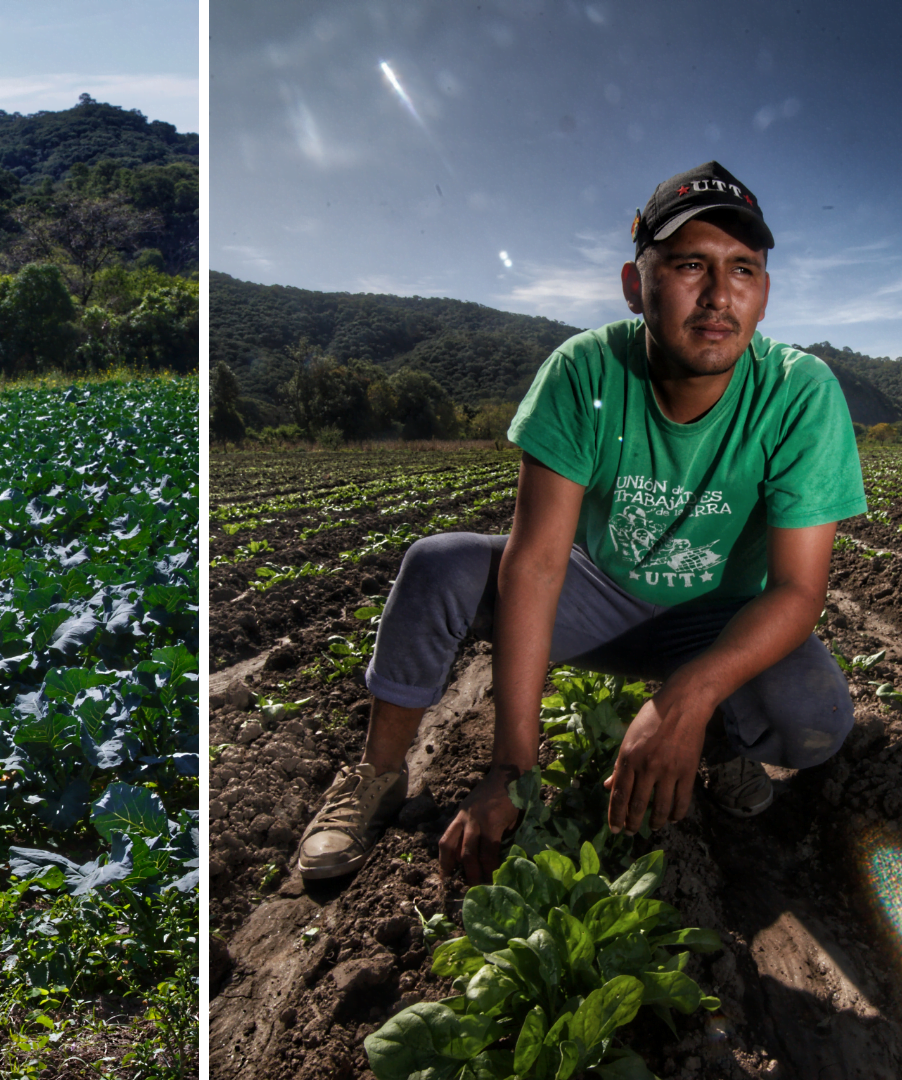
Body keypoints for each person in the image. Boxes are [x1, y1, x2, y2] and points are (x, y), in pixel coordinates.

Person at [295, 162, 866, 886]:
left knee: (812, 710)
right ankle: (377, 774)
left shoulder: (797, 392)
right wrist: (511, 768)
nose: (719, 295)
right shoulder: (585, 372)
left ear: (764, 293)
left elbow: (795, 591)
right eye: (691, 264)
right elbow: (536, 564)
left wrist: (685, 699)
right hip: (596, 598)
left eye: (743, 270)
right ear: (637, 285)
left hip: (717, 618)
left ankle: (720, 744)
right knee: (439, 565)